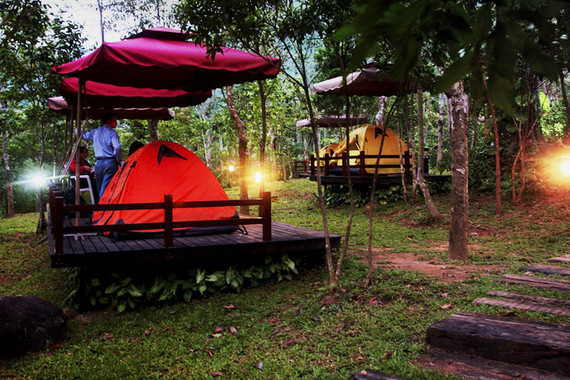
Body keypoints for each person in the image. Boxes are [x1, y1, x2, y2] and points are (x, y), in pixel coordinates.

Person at [82, 113, 121, 200]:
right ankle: (103, 208)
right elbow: (117, 147)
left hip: (99, 163)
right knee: (107, 187)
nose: (116, 122)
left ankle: (100, 205)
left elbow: (83, 135)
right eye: (114, 120)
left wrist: (76, 130)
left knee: (100, 187)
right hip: (110, 162)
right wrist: (118, 159)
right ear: (108, 121)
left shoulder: (95, 132)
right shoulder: (112, 132)